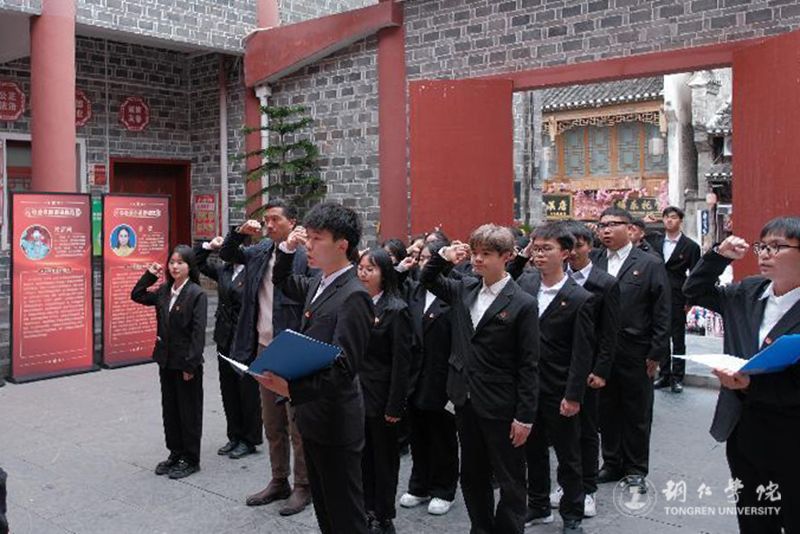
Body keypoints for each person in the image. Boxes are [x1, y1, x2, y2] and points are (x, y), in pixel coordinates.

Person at [683, 217, 800, 534]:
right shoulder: (748, 291)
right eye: (762, 247)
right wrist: (718, 256)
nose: (765, 254)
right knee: (754, 518)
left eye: (777, 247)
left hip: (792, 433)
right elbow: (694, 290)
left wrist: (751, 385)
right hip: (743, 429)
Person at [421, 224, 539, 534]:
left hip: (503, 404)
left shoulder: (523, 302)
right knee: (472, 474)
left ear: (507, 256)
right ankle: (481, 528)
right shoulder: (464, 288)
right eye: (475, 253)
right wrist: (443, 256)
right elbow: (428, 278)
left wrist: (525, 416)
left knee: (510, 478)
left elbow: (529, 364)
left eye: (486, 254)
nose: (477, 260)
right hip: (464, 399)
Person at [269, 202, 375, 534]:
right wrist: (287, 250)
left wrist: (292, 389)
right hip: (312, 416)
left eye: (317, 239)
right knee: (326, 512)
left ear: (342, 245)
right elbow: (282, 280)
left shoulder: (354, 295)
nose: (308, 246)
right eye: (308, 238)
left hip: (336, 421)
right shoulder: (320, 282)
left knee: (346, 514)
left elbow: (344, 367)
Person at [219, 198, 313, 515]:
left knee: (296, 424)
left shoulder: (305, 255)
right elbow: (227, 254)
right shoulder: (260, 251)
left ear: (292, 222)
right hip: (262, 346)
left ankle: (303, 485)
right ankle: (279, 479)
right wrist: (238, 233)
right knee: (272, 423)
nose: (269, 225)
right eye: (266, 220)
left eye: (275, 219)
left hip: (292, 348)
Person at [510, 224, 595, 534]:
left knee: (568, 455)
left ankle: (572, 514)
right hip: (528, 387)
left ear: (566, 253)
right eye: (536, 248)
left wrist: (573, 395)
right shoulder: (526, 284)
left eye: (547, 248)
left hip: (559, 388)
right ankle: (538, 505)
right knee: (532, 450)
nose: (540, 254)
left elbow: (582, 353)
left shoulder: (580, 297)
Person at [590, 208, 670, 493]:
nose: (606, 230)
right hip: (600, 351)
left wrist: (656, 352)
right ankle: (612, 462)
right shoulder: (594, 260)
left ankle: (636, 469)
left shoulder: (649, 263)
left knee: (637, 411)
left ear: (630, 228)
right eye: (602, 225)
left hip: (636, 349)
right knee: (606, 409)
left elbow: (662, 310)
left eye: (613, 224)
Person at [558, 221, 620, 517]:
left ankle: (587, 488)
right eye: (567, 247)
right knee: (561, 431)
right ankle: (567, 484)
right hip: (558, 366)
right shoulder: (553, 279)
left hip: (588, 368)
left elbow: (610, 332)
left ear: (590, 247)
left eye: (578, 246)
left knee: (586, 430)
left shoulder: (605, 283)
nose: (573, 252)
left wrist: (601, 370)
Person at [131, 245, 207, 479]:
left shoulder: (196, 294)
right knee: (171, 409)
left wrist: (190, 365)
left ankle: (190, 458)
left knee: (188, 411)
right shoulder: (164, 290)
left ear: (189, 266)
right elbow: (137, 295)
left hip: (186, 363)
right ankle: (175, 452)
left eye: (180, 262)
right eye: (172, 262)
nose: (175, 266)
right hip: (165, 360)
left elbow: (198, 334)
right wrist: (150, 275)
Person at [400, 240, 460, 517]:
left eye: (430, 258)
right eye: (421, 257)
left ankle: (444, 489)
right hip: (414, 376)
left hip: (442, 376)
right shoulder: (414, 289)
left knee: (442, 436)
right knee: (418, 435)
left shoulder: (456, 290)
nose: (424, 262)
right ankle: (419, 485)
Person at [357, 248, 413, 534]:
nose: (363, 274)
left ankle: (383, 514)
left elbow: (402, 363)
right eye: (361, 268)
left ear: (384, 273)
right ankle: (365, 508)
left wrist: (395, 405)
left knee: (384, 459)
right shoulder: (355, 303)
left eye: (371, 269)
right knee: (361, 457)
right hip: (355, 395)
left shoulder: (395, 309)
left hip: (382, 397)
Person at [195, 236, 262, 460]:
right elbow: (198, 262)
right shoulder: (224, 270)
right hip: (224, 336)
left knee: (247, 390)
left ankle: (249, 439)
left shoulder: (253, 271)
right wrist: (208, 246)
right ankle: (234, 435)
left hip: (245, 338)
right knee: (228, 389)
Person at [649, 206, 701, 393]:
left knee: (678, 338)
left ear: (680, 221)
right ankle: (664, 374)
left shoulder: (691, 246)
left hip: (678, 295)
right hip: (656, 293)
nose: (669, 220)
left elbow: (695, 275)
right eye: (666, 217)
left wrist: (690, 300)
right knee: (660, 335)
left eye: (673, 217)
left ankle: (678, 377)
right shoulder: (655, 241)